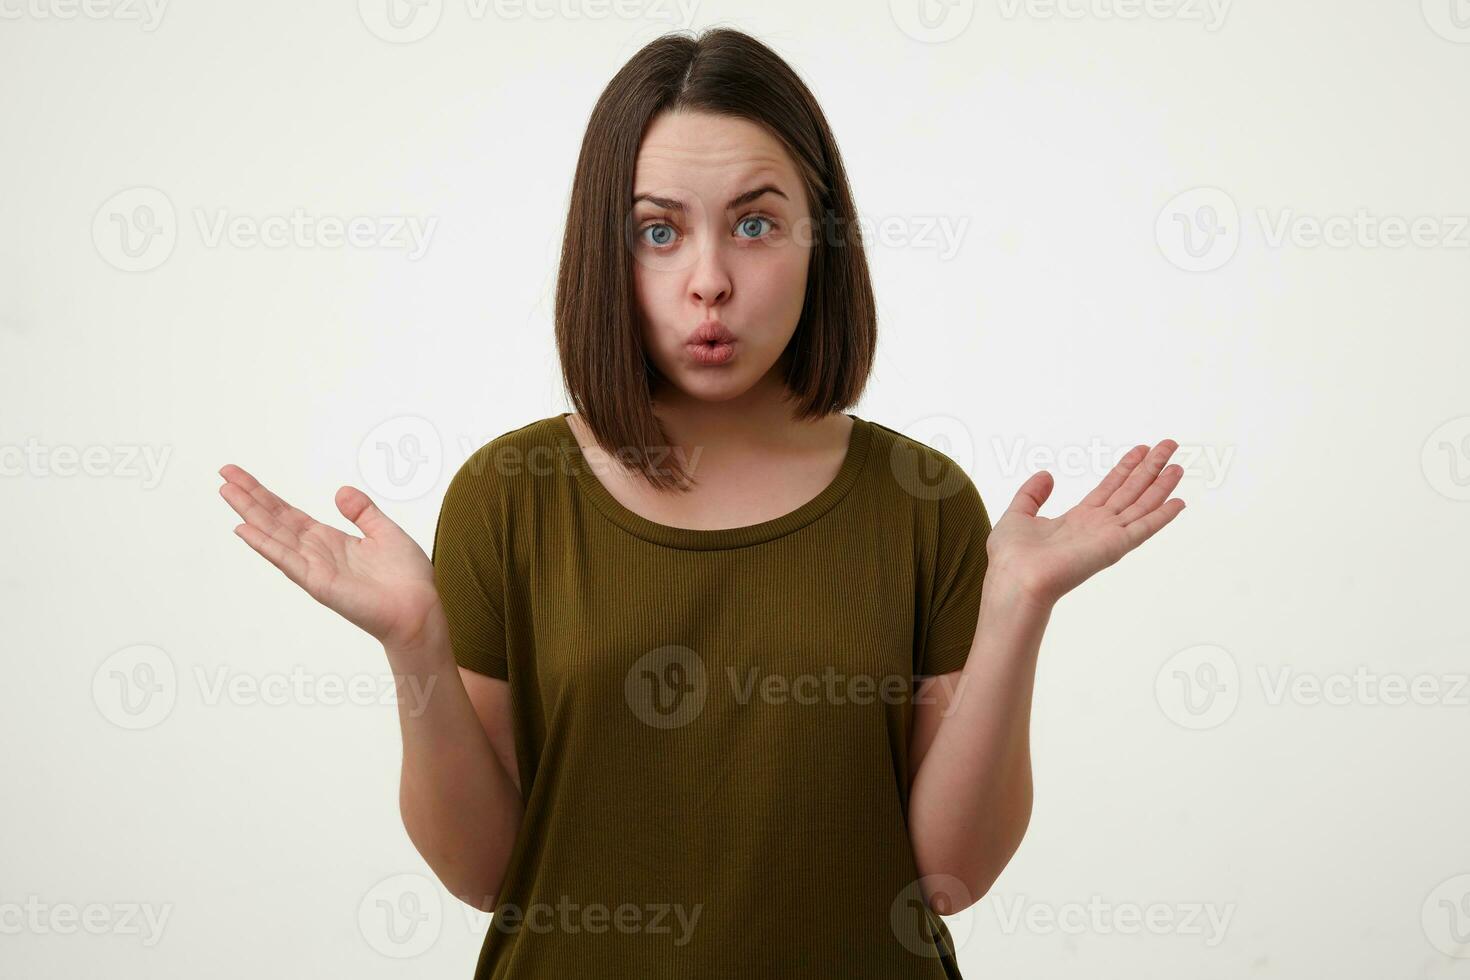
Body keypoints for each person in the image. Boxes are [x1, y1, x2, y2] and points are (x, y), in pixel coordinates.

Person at [217, 26, 1185, 979]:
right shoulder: (509, 496)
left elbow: (948, 873)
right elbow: (484, 873)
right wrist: (414, 640)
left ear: (822, 239)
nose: (709, 280)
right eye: (658, 231)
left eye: (756, 223)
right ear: (607, 248)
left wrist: (1017, 606)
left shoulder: (918, 501)